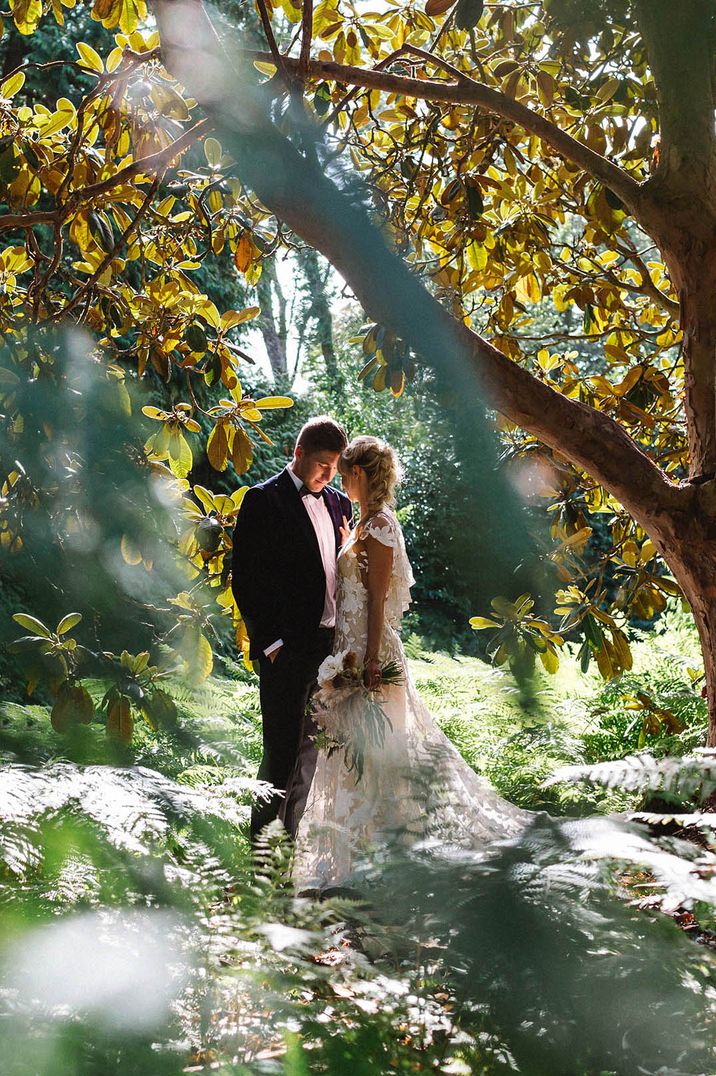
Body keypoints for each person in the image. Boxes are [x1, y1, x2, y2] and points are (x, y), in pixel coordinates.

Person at [292, 436, 528, 893]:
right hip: (348, 654)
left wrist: (372, 662)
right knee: (349, 756)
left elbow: (379, 601)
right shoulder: (362, 526)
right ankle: (351, 861)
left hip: (370, 659)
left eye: (345, 474)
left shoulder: (380, 526)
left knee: (380, 758)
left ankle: (387, 864)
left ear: (359, 474)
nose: (341, 481)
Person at [231, 416, 352, 841]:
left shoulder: (340, 504)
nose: (329, 473)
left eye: (335, 466)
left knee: (313, 757)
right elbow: (246, 578)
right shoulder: (263, 500)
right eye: (322, 463)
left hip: (331, 650)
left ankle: (293, 854)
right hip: (286, 651)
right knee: (279, 756)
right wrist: (271, 644)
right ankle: (261, 861)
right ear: (298, 454)